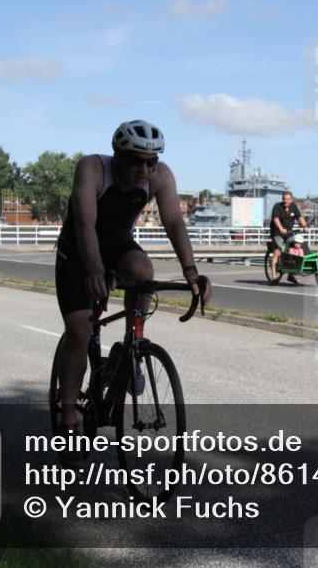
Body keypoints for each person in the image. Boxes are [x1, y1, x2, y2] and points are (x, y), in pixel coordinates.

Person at [54, 119, 211, 437]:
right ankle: (69, 419)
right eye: (136, 161)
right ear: (118, 156)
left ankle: (132, 350)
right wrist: (96, 271)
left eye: (151, 162)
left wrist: (191, 272)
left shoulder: (161, 176)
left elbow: (174, 222)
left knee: (143, 272)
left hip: (117, 246)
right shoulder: (93, 169)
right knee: (80, 331)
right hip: (77, 253)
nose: (145, 170)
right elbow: (85, 226)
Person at [270, 191, 308, 284]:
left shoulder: (294, 207)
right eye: (284, 199)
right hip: (277, 232)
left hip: (289, 233)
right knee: (277, 252)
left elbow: (299, 217)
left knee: (296, 249)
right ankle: (274, 276)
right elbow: (276, 219)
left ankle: (291, 275)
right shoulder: (277, 206)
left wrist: (305, 226)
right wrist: (281, 228)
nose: (285, 201)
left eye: (287, 199)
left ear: (291, 199)